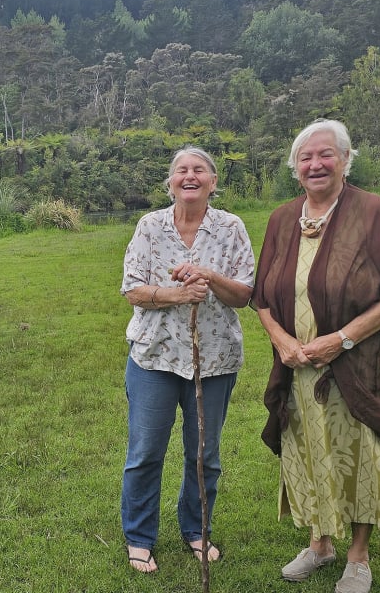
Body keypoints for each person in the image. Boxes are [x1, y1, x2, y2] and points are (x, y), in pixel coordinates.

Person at [252, 119, 380, 593]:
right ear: (295, 167)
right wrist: (282, 341)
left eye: (325, 154)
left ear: (346, 160)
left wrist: (340, 339)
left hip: (356, 364)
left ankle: (358, 556)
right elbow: (261, 299)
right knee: (309, 450)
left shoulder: (372, 211)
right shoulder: (282, 219)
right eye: (305, 157)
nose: (316, 164)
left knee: (360, 454)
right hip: (298, 367)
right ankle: (320, 543)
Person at [119, 146, 255, 574]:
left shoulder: (231, 227)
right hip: (154, 358)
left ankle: (197, 529)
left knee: (204, 454)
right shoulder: (150, 226)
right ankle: (139, 537)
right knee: (145, 452)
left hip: (214, 360)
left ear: (213, 182)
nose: (190, 176)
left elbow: (244, 295)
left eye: (199, 170)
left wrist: (210, 277)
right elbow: (132, 289)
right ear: (171, 182)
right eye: (182, 170)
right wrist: (178, 294)